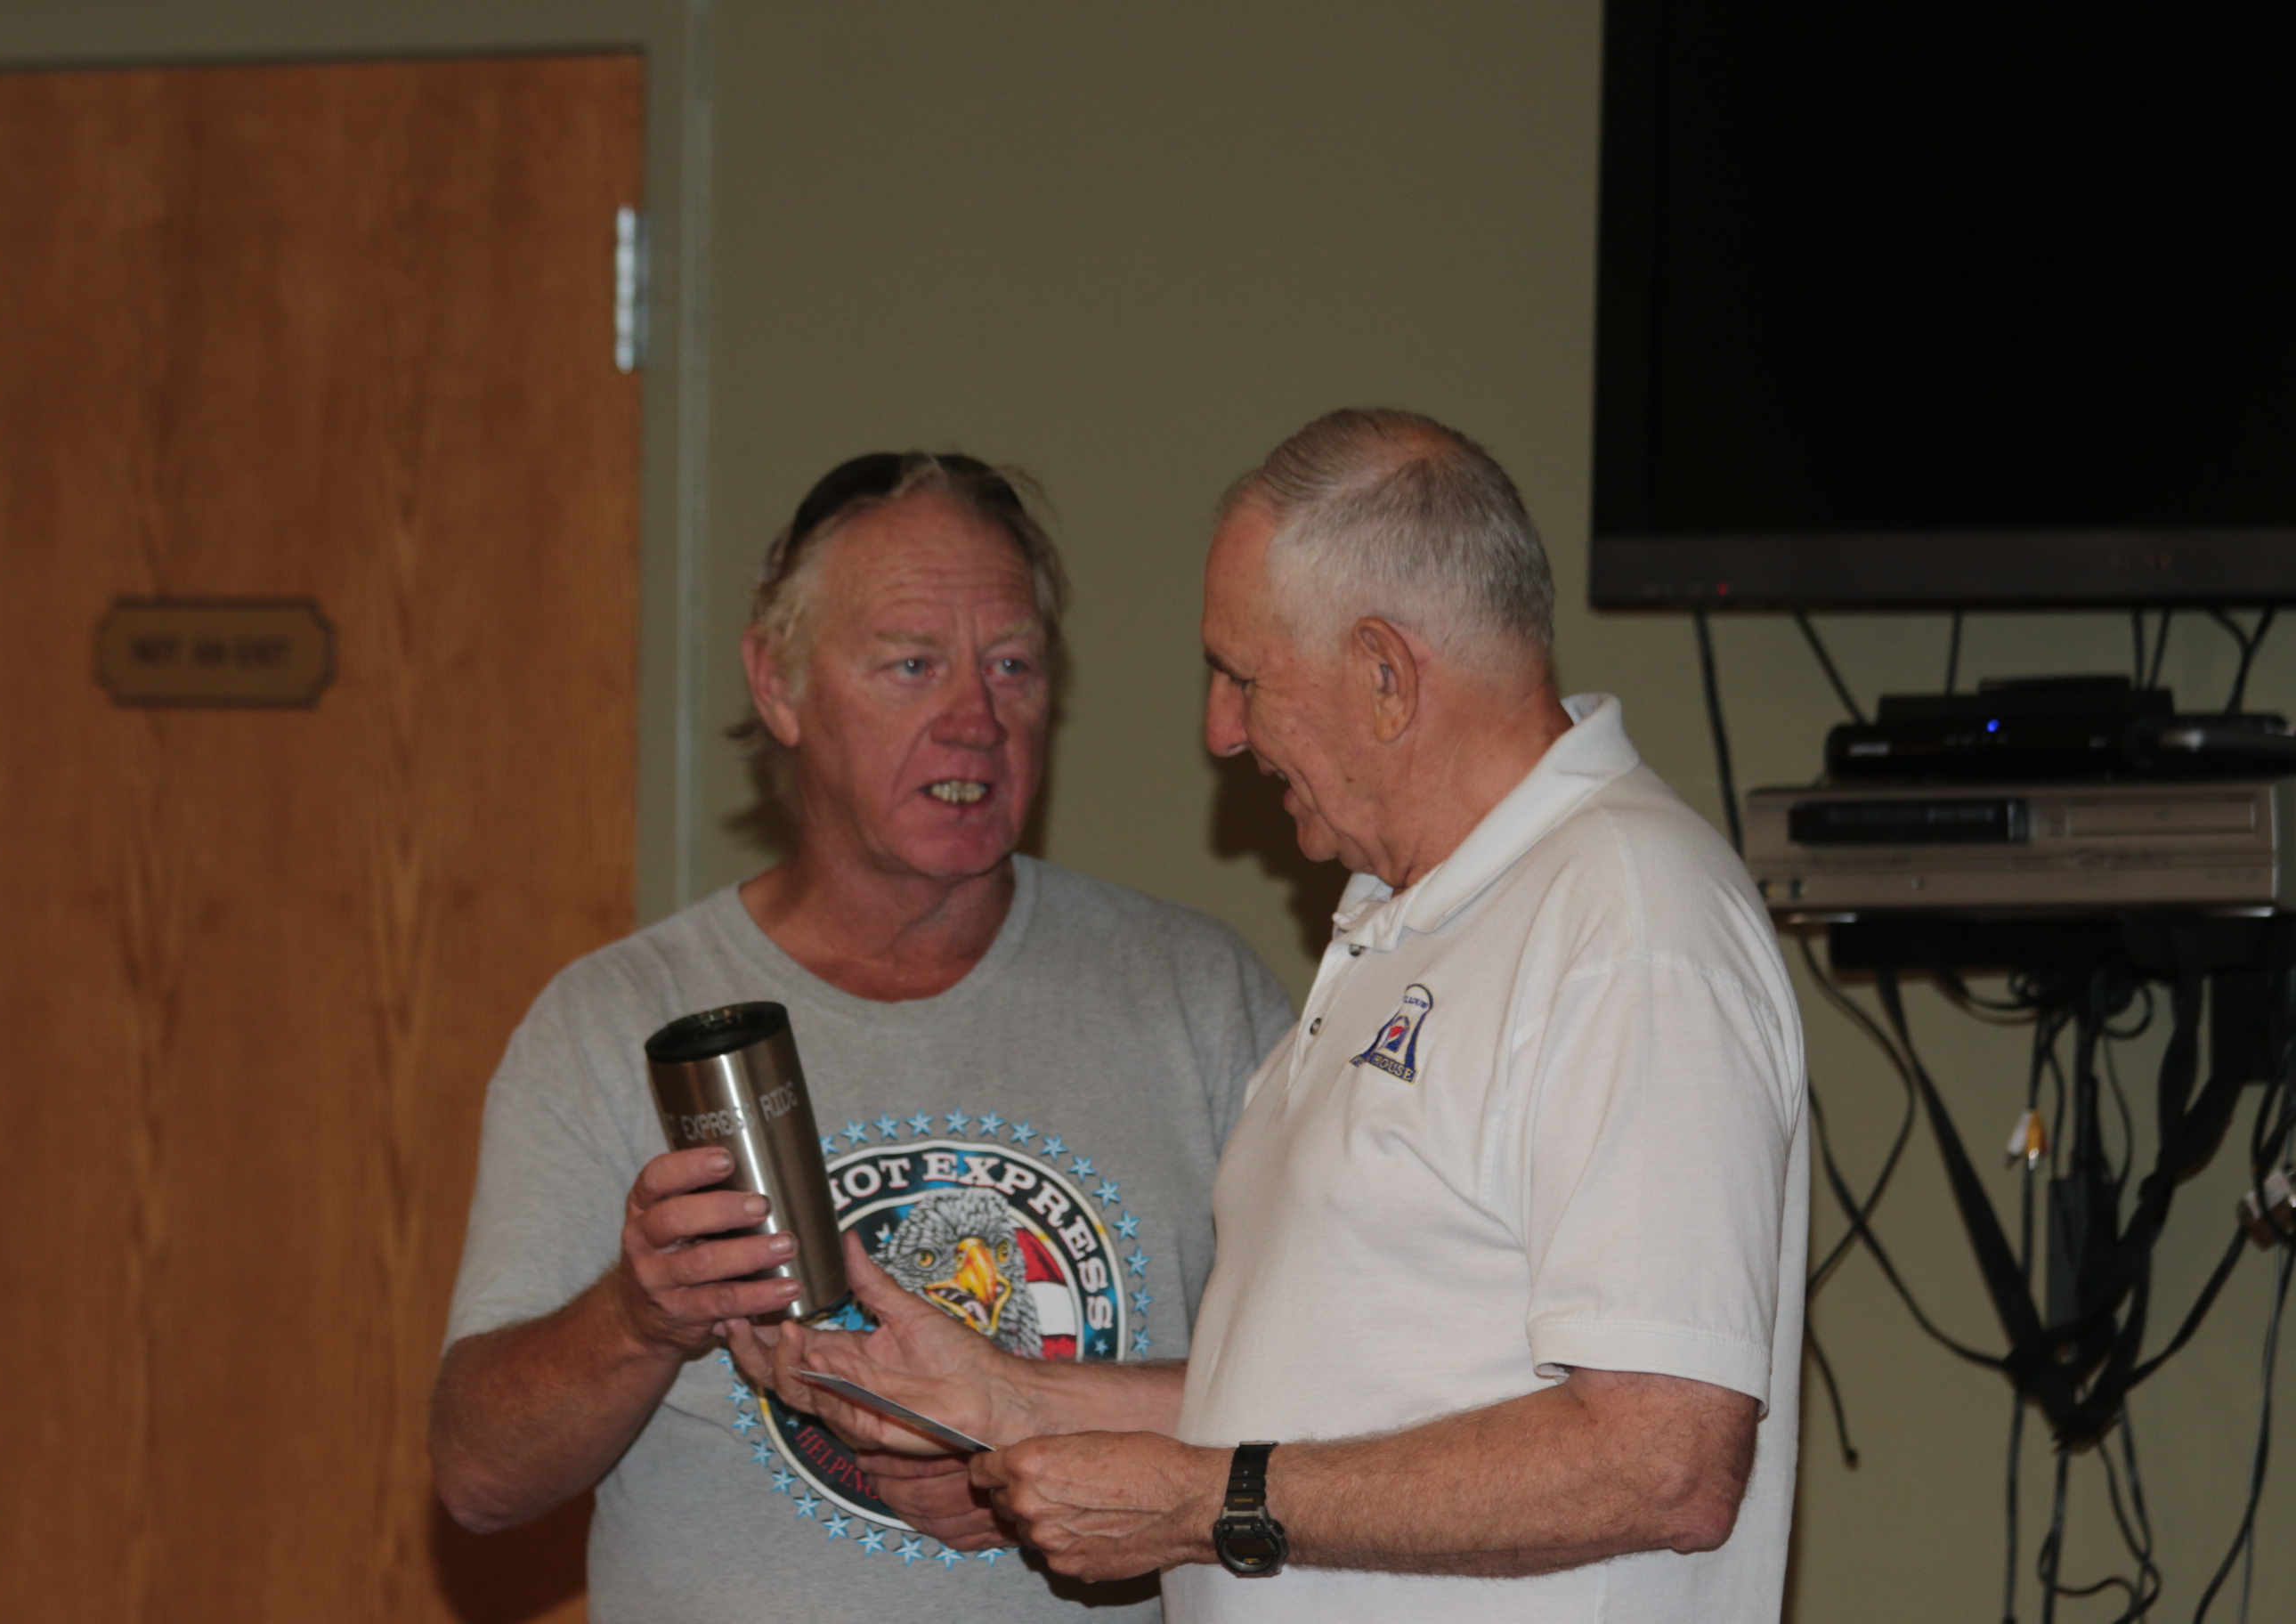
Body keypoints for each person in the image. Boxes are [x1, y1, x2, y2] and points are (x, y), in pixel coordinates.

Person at [738, 410, 1808, 1622]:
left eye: (1244, 677)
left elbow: (1662, 1459)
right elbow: (1321, 1401)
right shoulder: (1406, 923)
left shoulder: (1628, 922)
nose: (1220, 730)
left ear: (1385, 676)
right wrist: (1009, 1397)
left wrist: (1206, 1505)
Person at [430, 450, 1295, 1623]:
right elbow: (478, 1477)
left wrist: (1057, 1457)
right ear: (779, 687)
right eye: (911, 665)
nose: (974, 720)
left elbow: (1347, 1399)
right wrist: (637, 1318)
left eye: (1011, 665)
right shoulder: (613, 1019)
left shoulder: (1200, 997)